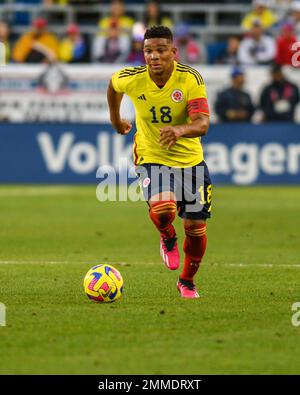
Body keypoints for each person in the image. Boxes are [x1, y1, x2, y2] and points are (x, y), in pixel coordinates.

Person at [107, 26, 211, 299]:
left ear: (173, 52)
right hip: (152, 155)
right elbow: (113, 86)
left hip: (191, 161)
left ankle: (186, 282)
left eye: (161, 50)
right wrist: (116, 120)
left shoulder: (190, 79)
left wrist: (179, 130)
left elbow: (202, 124)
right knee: (164, 207)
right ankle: (167, 235)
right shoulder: (132, 78)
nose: (154, 56)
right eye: (148, 51)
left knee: (196, 230)